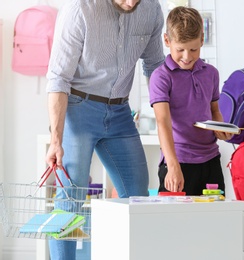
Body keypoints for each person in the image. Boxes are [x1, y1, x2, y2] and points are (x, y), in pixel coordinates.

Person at [45, 0, 165, 259]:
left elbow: (155, 68)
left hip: (121, 112)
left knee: (138, 197)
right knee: (70, 200)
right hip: (78, 109)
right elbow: (58, 77)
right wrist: (56, 140)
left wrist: (167, 124)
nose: (131, 2)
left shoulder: (151, 9)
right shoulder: (79, 9)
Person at [149, 6, 232, 195]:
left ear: (202, 40)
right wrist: (172, 165)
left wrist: (221, 128)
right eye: (181, 50)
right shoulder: (161, 77)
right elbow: (163, 122)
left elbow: (214, 111)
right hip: (178, 161)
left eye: (194, 49)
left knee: (214, 222)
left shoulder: (211, 73)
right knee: (175, 223)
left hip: (210, 161)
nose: (187, 57)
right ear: (167, 41)